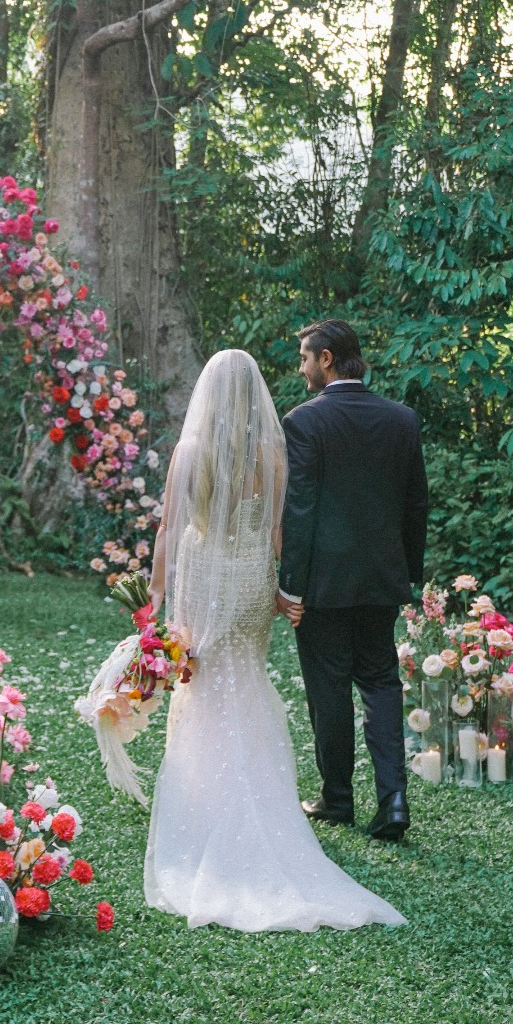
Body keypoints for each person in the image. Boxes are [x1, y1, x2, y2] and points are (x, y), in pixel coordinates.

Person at [142, 348, 404, 932]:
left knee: (201, 677)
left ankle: (205, 796)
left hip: (204, 572)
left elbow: (168, 527)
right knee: (246, 675)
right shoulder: (271, 454)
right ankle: (260, 792)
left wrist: (155, 597)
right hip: (250, 579)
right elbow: (282, 529)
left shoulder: (188, 453)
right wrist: (287, 589)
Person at [279, 319, 428, 843]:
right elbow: (416, 507)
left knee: (329, 688)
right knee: (381, 683)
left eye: (304, 357)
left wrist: (289, 586)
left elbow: (298, 512)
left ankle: (337, 799)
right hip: (382, 582)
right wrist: (408, 575)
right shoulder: (402, 419)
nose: (300, 368)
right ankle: (393, 799)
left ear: (326, 359)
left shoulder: (304, 422)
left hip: (324, 585)